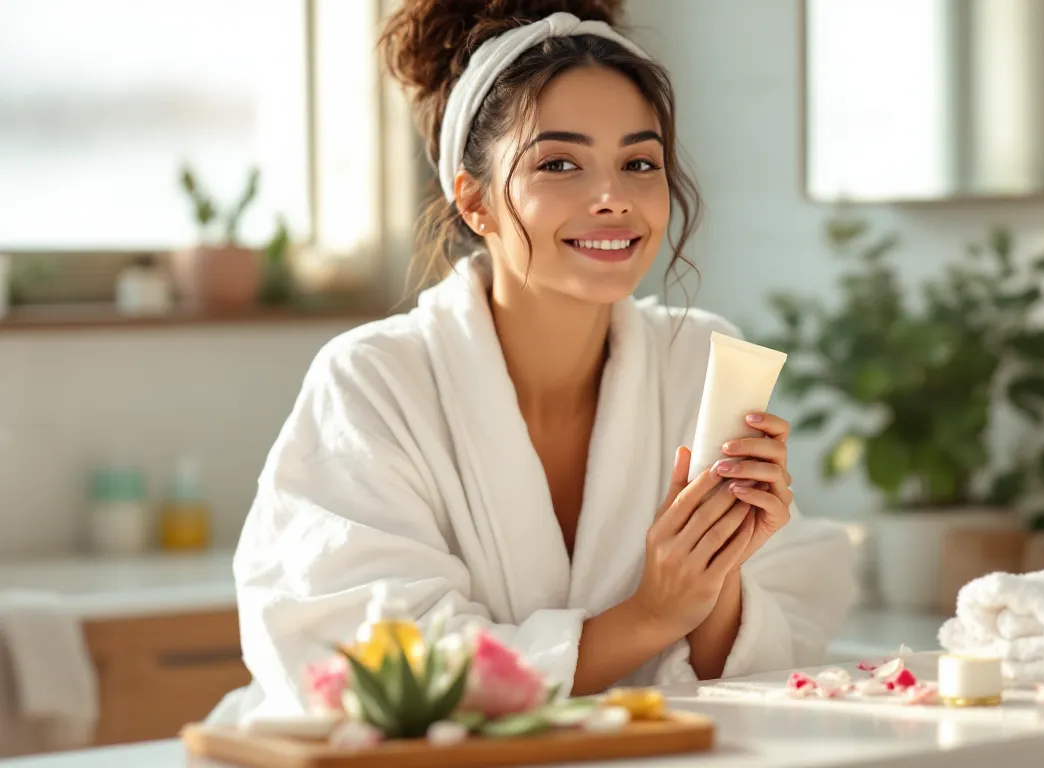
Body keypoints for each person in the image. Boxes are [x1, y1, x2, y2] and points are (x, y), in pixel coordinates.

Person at [211, 0, 856, 722]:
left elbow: (756, 663)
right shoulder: (375, 383)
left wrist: (717, 572)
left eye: (639, 162)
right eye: (559, 164)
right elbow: (377, 672)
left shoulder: (695, 361)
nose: (613, 198)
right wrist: (649, 614)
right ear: (474, 202)